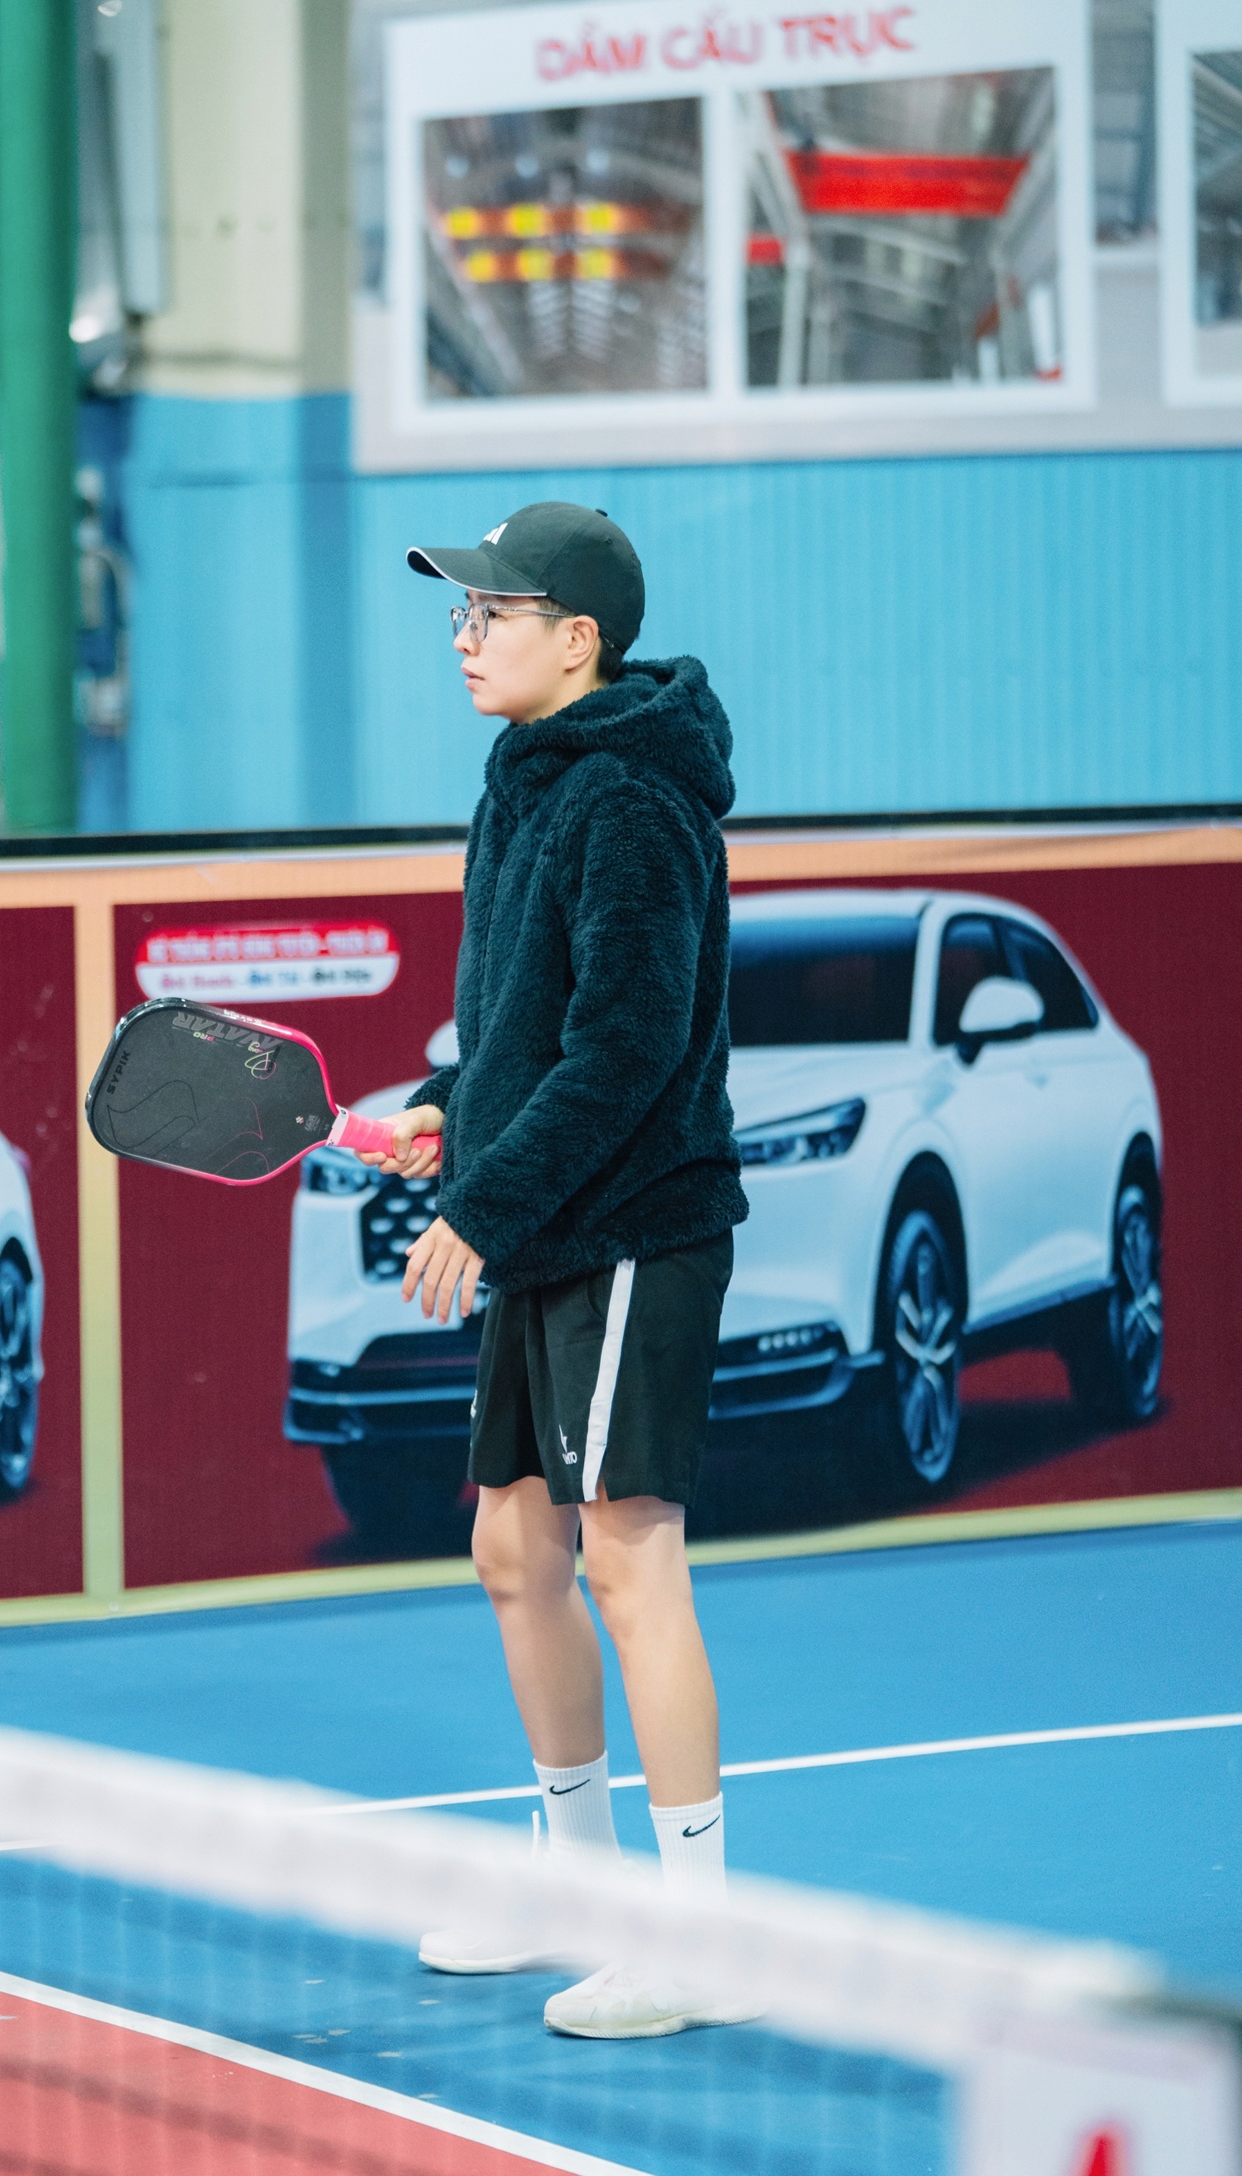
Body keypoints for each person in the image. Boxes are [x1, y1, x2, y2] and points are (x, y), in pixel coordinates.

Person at [359, 500, 753, 2041]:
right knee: (513, 1554)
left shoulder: (632, 801)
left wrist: (482, 1204)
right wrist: (447, 1105)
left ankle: (699, 1935)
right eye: (459, 616)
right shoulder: (523, 781)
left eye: (493, 614)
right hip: (552, 1222)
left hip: (637, 1225)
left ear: (576, 639)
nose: (464, 639)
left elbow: (629, 1047)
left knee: (627, 1558)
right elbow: (528, 1026)